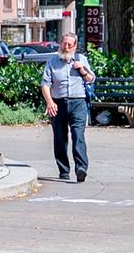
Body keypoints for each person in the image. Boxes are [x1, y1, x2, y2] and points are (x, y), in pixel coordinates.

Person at [40, 31, 95, 183]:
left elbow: (91, 79)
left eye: (69, 45)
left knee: (78, 136)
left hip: (78, 102)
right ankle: (64, 170)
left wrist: (82, 70)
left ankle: (81, 168)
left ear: (75, 46)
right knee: (60, 138)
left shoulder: (81, 59)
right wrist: (50, 102)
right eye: (64, 44)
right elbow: (45, 84)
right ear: (60, 43)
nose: (66, 47)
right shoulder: (52, 61)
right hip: (58, 103)